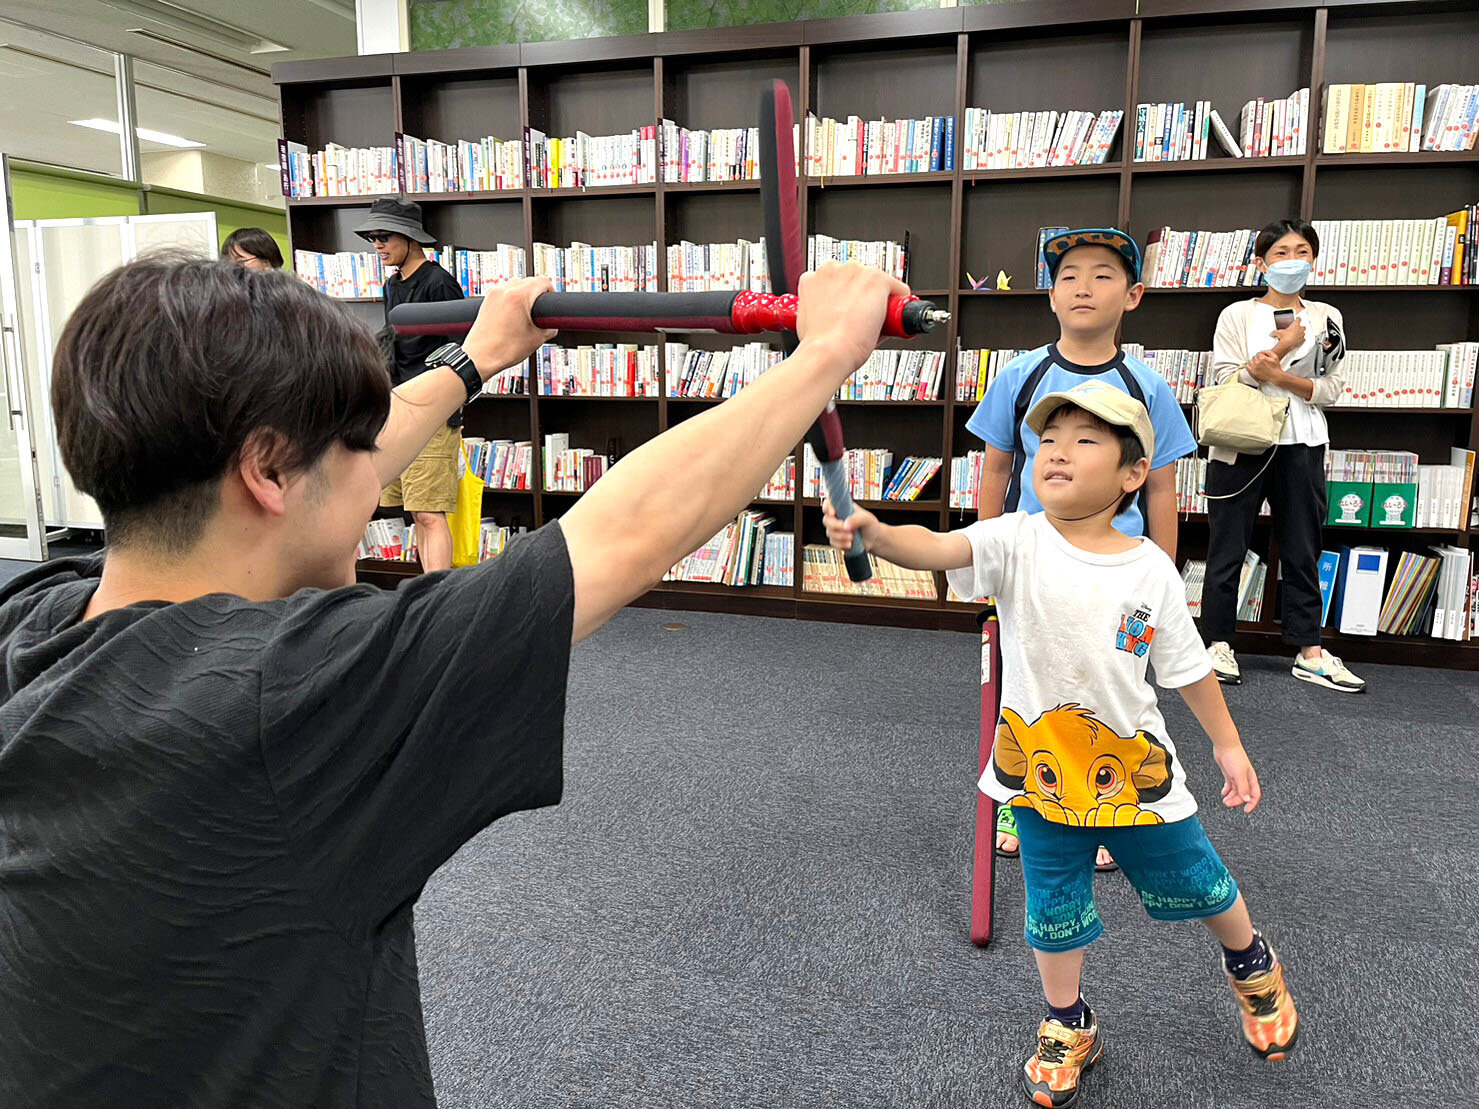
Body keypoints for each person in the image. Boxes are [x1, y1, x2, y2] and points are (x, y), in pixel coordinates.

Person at [0, 253, 906, 1107]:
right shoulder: (289, 699)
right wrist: (826, 352)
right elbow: (625, 530)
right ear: (268, 469)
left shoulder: (35, 625)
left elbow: (313, 472)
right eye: (357, 444)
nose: (374, 471)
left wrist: (474, 361)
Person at [825, 380, 1298, 1108]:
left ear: (1131, 473)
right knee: (1050, 907)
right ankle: (1067, 1020)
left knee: (1203, 881)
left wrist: (1228, 747)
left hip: (1135, 782)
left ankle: (1253, 964)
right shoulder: (1015, 538)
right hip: (1040, 780)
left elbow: (1186, 669)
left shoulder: (1148, 571)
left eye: (1082, 441)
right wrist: (877, 533)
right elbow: (938, 544)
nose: (1055, 452)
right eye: (1046, 441)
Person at [969, 229, 1198, 865]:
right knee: (1030, 692)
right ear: (1050, 294)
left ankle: (1103, 805)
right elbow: (993, 470)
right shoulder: (1020, 375)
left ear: (1134, 295)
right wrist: (986, 558)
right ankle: (1024, 807)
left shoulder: (1146, 386)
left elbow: (1160, 487)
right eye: (1069, 275)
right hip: (1034, 573)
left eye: (1103, 274)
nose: (1084, 287)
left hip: (1118, 576)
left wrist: (1166, 578)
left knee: (1115, 688)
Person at [1203, 218, 1365, 694]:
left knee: (1302, 548)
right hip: (1241, 442)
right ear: (1261, 262)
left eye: (1301, 251)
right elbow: (1227, 379)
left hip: (1303, 443)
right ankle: (1216, 643)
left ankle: (1309, 650)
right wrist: (1286, 346)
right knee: (1226, 545)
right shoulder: (1235, 315)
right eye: (1280, 253)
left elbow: (1330, 390)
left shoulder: (1327, 316)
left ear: (1313, 259)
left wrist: (1279, 373)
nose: (1292, 260)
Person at [355, 196, 467, 573]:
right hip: (399, 404)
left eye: (384, 236)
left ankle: (438, 597)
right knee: (415, 512)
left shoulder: (439, 282)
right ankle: (428, 589)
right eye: (372, 237)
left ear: (410, 237)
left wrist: (446, 398)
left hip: (434, 408)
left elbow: (463, 346)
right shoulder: (393, 285)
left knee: (429, 510)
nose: (377, 245)